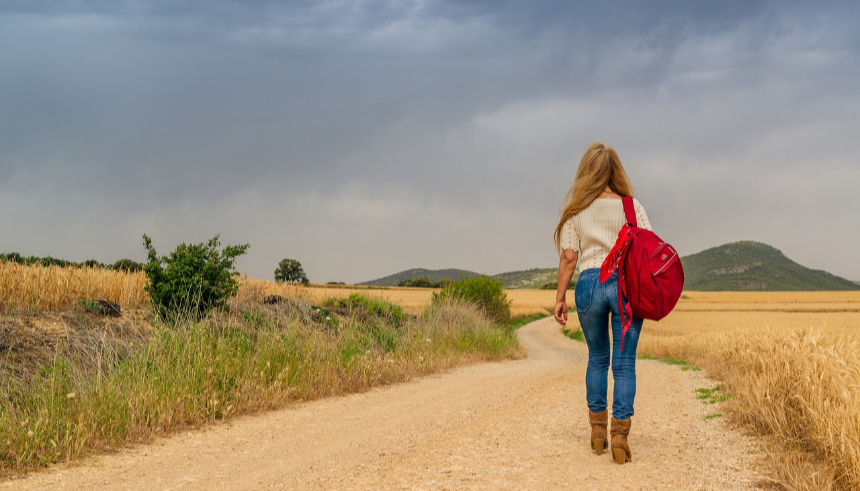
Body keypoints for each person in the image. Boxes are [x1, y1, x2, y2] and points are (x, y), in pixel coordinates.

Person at [553, 141, 652, 465]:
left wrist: (560, 298)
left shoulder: (577, 210)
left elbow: (569, 259)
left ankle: (598, 433)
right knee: (624, 365)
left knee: (597, 359)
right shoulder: (631, 207)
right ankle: (620, 437)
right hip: (624, 287)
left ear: (586, 173)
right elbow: (648, 249)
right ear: (616, 172)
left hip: (589, 285)